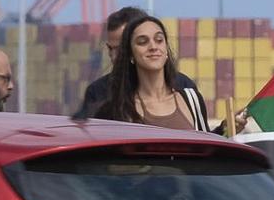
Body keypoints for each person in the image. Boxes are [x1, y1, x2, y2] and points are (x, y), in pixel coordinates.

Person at [84, 15, 222, 132]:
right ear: (131, 54)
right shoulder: (116, 110)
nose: (153, 47)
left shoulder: (192, 100)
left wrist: (225, 129)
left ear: (166, 49)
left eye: (159, 40)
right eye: (143, 42)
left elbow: (208, 151)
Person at [74, 5, 194, 118]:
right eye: (111, 49)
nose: (116, 56)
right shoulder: (98, 92)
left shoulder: (184, 88)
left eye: (123, 47)